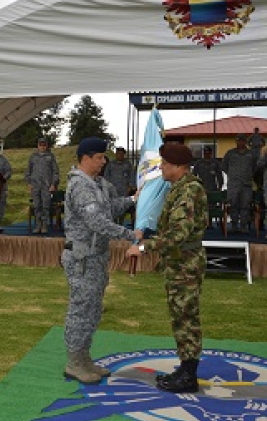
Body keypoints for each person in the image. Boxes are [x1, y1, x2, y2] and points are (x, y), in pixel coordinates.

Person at [126, 143, 207, 393]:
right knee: (180, 316)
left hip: (185, 263)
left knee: (185, 316)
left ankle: (189, 375)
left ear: (178, 167)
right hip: (179, 262)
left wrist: (142, 248)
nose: (161, 167)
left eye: (164, 164)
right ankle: (185, 367)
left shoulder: (188, 191)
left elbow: (178, 234)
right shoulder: (179, 188)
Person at [61, 137, 142, 385]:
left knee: (93, 309)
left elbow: (110, 208)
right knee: (81, 309)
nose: (104, 161)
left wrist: (133, 200)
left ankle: (84, 358)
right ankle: (74, 362)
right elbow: (95, 222)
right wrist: (129, 235)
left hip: (96, 256)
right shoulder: (81, 186)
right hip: (82, 257)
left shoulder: (99, 184)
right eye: (99, 157)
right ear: (86, 158)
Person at [222, 134, 256, 233]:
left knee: (245, 205)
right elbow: (224, 166)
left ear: (246, 142)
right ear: (236, 141)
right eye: (239, 140)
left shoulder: (251, 154)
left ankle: (244, 226)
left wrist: (249, 174)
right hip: (234, 184)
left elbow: (255, 166)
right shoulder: (230, 153)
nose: (241, 142)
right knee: (233, 204)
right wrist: (232, 174)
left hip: (246, 184)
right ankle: (234, 225)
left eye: (243, 140)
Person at [25, 138, 60, 234]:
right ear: (38, 146)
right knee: (37, 206)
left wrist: (53, 184)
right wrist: (29, 183)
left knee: (45, 205)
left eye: (44, 145)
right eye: (40, 145)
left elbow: (55, 172)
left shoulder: (51, 156)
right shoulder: (33, 157)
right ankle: (37, 225)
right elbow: (28, 171)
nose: (42, 147)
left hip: (46, 185)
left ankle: (44, 225)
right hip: (35, 185)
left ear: (47, 146)